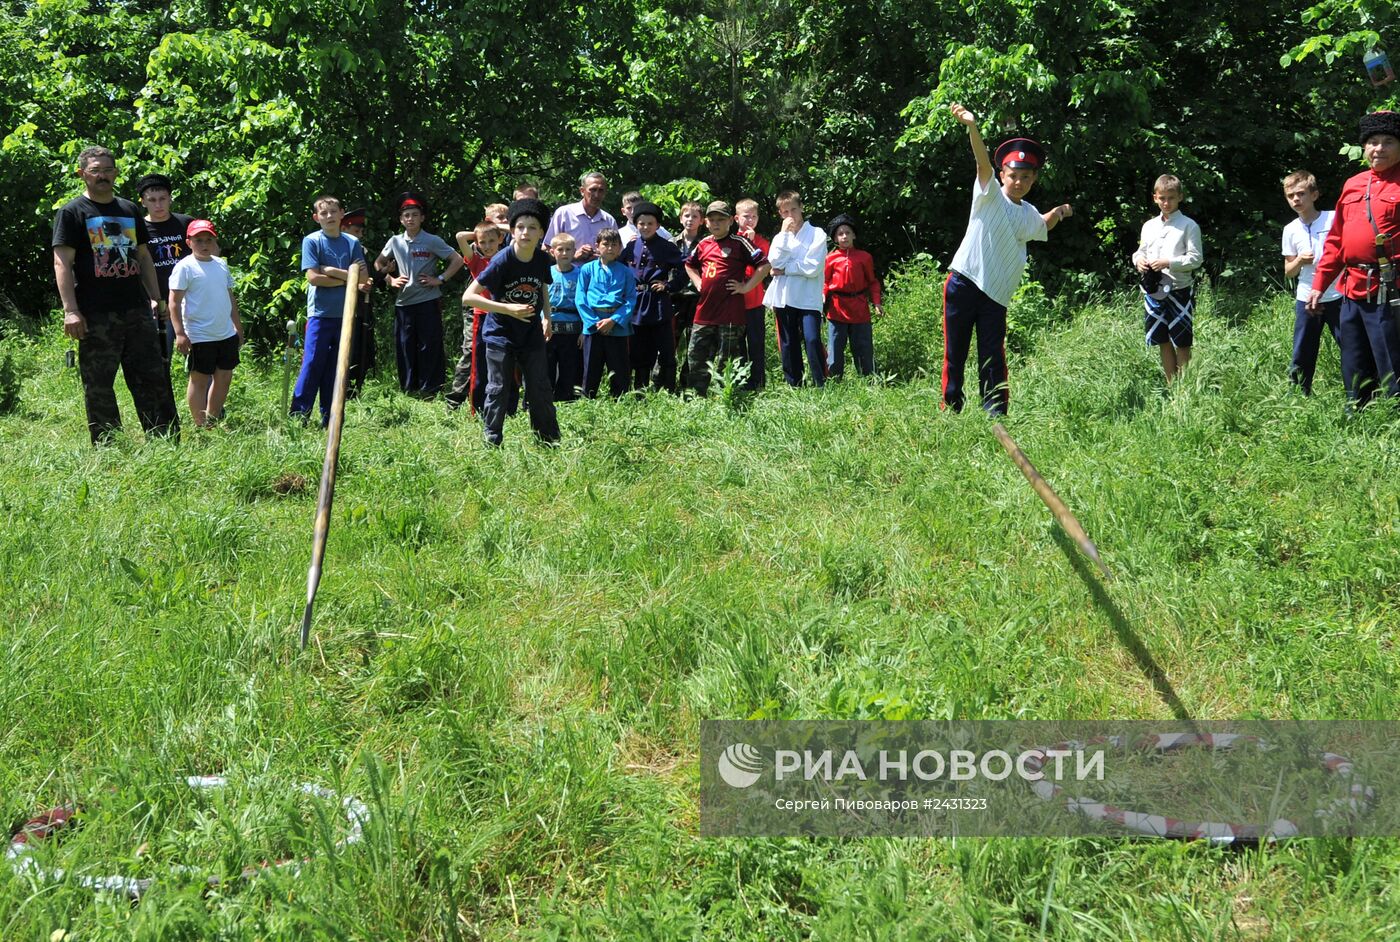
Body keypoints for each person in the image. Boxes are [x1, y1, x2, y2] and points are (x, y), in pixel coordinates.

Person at [942, 104, 1072, 415]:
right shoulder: (989, 193)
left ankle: (995, 414)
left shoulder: (1027, 213)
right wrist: (972, 127)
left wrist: (1062, 211)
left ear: (1033, 180)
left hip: (996, 296)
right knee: (955, 353)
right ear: (1003, 174)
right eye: (1013, 175)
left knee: (992, 355)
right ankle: (951, 409)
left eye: (1025, 177)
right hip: (964, 283)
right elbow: (981, 164)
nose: (1018, 182)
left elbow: (1044, 223)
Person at [52, 145, 180, 443]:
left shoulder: (129, 209)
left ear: (116, 173)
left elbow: (144, 257)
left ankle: (165, 440)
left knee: (152, 378)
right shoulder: (72, 212)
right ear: (82, 174)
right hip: (95, 313)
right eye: (95, 171)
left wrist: (157, 298)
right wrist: (71, 310)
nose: (102, 176)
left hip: (136, 310)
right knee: (99, 384)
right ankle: (109, 444)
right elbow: (62, 262)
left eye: (108, 170)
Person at [1309, 110, 1400, 406]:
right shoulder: (1354, 184)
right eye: (1373, 142)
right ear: (1364, 147)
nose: (1379, 148)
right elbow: (1336, 239)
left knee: (1392, 361)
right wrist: (1319, 284)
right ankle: (1357, 414)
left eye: (1388, 141)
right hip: (1351, 289)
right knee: (1354, 358)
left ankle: (1393, 417)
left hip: (1390, 291)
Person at [461, 198, 560, 446]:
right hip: (500, 334)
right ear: (512, 231)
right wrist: (507, 308)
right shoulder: (502, 260)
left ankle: (548, 440)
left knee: (540, 387)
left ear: (541, 233)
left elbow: (542, 287)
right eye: (521, 227)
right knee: (498, 388)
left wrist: (547, 316)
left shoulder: (541, 259)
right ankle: (491, 441)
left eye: (533, 227)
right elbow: (468, 297)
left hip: (531, 334)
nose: (526, 232)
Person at [291, 194, 370, 426]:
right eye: (323, 213)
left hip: (346, 314)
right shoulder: (312, 241)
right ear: (316, 218)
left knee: (337, 366)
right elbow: (314, 277)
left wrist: (332, 271)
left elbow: (364, 280)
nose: (329, 216)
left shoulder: (351, 242)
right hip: (320, 313)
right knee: (313, 362)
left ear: (342, 214)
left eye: (333, 212)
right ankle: (299, 415)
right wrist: (349, 278)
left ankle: (330, 417)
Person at [377, 193, 463, 398]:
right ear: (401, 219)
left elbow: (457, 260)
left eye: (415, 215)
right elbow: (378, 263)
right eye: (406, 215)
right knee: (405, 346)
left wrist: (440, 279)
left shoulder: (432, 240)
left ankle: (431, 388)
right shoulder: (395, 241)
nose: (410, 219)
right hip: (403, 302)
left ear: (422, 218)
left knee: (429, 344)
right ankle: (409, 388)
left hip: (428, 300)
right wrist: (390, 279)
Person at [684, 201, 770, 396]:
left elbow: (764, 266)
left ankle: (728, 397)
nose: (716, 224)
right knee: (696, 356)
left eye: (721, 219)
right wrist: (698, 281)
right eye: (712, 220)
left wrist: (746, 286)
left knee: (728, 360)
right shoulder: (703, 244)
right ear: (706, 222)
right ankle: (697, 397)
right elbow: (689, 265)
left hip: (730, 314)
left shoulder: (740, 243)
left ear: (731, 221)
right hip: (704, 312)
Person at [168, 219, 243, 428]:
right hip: (200, 335)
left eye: (209, 239)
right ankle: (200, 426)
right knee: (199, 380)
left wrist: (237, 326)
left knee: (224, 377)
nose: (204, 244)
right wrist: (180, 334)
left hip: (225, 333)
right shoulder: (185, 267)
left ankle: (212, 419)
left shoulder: (221, 264)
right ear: (189, 242)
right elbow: (174, 303)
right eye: (198, 240)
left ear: (215, 241)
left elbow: (230, 298)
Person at [1132, 174, 1203, 384]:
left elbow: (1196, 258)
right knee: (1162, 339)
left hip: (1179, 288)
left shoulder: (1189, 225)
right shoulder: (1149, 226)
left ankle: (1186, 387)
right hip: (1153, 290)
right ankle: (1172, 385)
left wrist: (1168, 262)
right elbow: (1140, 251)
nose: (1166, 202)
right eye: (1162, 198)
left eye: (1171, 198)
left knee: (1182, 340)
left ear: (1180, 197)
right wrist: (1139, 261)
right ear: (1155, 197)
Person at [1281, 171, 1342, 395]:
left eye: (1301, 194)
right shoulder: (1290, 230)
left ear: (1314, 194)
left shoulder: (1333, 218)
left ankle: (1360, 391)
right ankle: (1298, 394)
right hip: (1306, 298)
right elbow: (1288, 271)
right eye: (1290, 196)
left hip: (1338, 295)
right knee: (1303, 349)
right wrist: (1299, 260)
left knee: (1352, 346)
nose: (1296, 199)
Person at [764, 191, 828, 388]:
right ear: (780, 214)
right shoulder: (779, 238)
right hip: (784, 297)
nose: (790, 214)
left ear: (801, 207)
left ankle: (820, 383)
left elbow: (813, 267)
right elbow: (774, 261)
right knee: (788, 343)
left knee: (811, 339)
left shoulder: (817, 233)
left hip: (808, 298)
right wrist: (784, 234)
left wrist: (786, 269)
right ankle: (795, 385)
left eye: (793, 209)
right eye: (785, 211)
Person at [446, 221, 506, 413]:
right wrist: (481, 232)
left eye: (492, 241)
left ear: (500, 240)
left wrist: (496, 228)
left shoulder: (507, 258)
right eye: (483, 242)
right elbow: (459, 237)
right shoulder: (476, 261)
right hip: (481, 315)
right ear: (477, 244)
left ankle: (505, 405)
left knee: (503, 360)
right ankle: (477, 407)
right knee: (477, 361)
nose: (487, 246)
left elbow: (516, 234)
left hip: (503, 314)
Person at [626, 201, 684, 392]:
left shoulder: (666, 247)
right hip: (636, 304)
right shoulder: (631, 245)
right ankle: (640, 392)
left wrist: (669, 285)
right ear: (636, 224)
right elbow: (618, 266)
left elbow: (684, 267)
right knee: (639, 350)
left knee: (666, 349)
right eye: (641, 223)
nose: (646, 227)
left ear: (657, 225)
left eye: (650, 223)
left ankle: (668, 390)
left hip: (658, 303)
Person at [135, 173, 194, 360]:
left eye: (162, 199)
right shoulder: (137, 228)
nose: (158, 205)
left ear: (170, 198)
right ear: (143, 202)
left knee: (199, 361)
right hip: (157, 304)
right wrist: (151, 299)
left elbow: (210, 254)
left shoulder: (186, 223)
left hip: (190, 302)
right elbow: (136, 266)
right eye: (152, 200)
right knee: (159, 361)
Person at [576, 229, 636, 398]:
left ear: (620, 248)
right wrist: (594, 322)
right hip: (593, 325)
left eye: (614, 245)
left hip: (617, 326)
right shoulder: (587, 270)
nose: (610, 248)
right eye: (606, 244)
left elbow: (630, 299)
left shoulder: (625, 272)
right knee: (591, 367)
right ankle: (588, 399)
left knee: (619, 367)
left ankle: (620, 399)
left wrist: (614, 320)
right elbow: (580, 298)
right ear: (598, 246)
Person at [823, 213, 883, 378]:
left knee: (863, 346)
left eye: (847, 233)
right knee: (835, 347)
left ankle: (868, 379)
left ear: (854, 235)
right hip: (837, 308)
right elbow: (825, 282)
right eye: (840, 234)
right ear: (835, 238)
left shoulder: (864, 257)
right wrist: (822, 296)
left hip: (859, 307)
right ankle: (834, 381)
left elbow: (872, 282)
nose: (844, 236)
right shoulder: (830, 259)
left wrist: (876, 303)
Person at [340, 207, 381, 397]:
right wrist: (356, 286)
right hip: (340, 307)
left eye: (361, 231)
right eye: (356, 231)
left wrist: (372, 280)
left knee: (361, 347)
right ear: (344, 229)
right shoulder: (336, 248)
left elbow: (366, 276)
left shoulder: (362, 250)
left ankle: (356, 386)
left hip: (361, 307)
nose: (359, 235)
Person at [734, 198, 773, 389]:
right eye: (746, 216)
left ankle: (758, 383)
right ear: (736, 218)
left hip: (755, 302)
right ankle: (740, 383)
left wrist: (751, 242)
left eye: (754, 217)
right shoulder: (730, 240)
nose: (750, 220)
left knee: (756, 344)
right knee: (738, 346)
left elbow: (763, 265)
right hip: (735, 302)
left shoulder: (762, 242)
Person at [671, 200, 706, 390]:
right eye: (686, 215)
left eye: (695, 216)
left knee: (695, 343)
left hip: (697, 299)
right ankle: (664, 382)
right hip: (674, 299)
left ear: (702, 221)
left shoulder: (707, 243)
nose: (690, 220)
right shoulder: (670, 243)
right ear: (680, 218)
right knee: (670, 343)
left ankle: (687, 384)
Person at [544, 172, 617, 261]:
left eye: (601, 190)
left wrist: (603, 256)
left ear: (605, 193)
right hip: (569, 273)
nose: (596, 195)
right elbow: (546, 249)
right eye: (593, 190)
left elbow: (617, 253)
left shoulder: (609, 221)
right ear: (582, 191)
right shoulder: (564, 214)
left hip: (600, 273)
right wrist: (573, 257)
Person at [546, 233, 585, 400]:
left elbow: (586, 303)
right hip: (550, 326)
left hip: (572, 327)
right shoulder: (546, 273)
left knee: (569, 366)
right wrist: (542, 320)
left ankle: (566, 399)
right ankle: (545, 398)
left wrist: (585, 330)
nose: (564, 253)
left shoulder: (581, 274)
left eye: (568, 249)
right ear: (552, 252)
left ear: (574, 251)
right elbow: (540, 300)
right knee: (547, 365)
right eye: (560, 249)